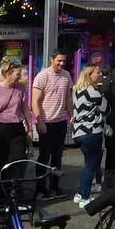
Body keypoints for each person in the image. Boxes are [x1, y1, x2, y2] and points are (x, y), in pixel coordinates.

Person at [0, 61, 33, 204]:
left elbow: (25, 108)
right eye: (17, 74)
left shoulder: (21, 88)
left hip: (16, 128)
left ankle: (14, 193)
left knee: (16, 160)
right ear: (7, 74)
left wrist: (30, 127)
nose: (20, 77)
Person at [31, 53, 74, 198]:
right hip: (46, 122)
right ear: (52, 60)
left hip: (60, 122)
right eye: (59, 61)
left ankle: (55, 186)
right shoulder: (43, 76)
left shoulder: (66, 75)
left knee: (57, 156)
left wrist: (72, 115)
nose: (61, 64)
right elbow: (35, 101)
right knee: (44, 156)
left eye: (64, 61)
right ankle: (40, 187)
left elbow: (68, 97)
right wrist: (40, 121)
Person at [71, 65, 106, 208]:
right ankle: (85, 197)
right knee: (90, 165)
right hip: (92, 131)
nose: (101, 74)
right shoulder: (93, 92)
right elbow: (106, 108)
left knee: (87, 164)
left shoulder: (77, 90)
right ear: (89, 75)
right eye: (98, 72)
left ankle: (79, 193)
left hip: (78, 132)